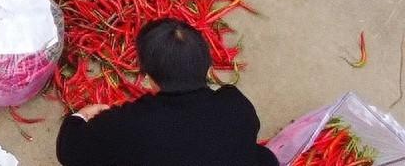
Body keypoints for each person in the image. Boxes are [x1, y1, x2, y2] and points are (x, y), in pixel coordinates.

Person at [56, 19, 276, 166]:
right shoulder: (236, 106)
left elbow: (69, 150)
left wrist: (80, 117)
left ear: (148, 79)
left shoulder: (129, 125)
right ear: (209, 68)